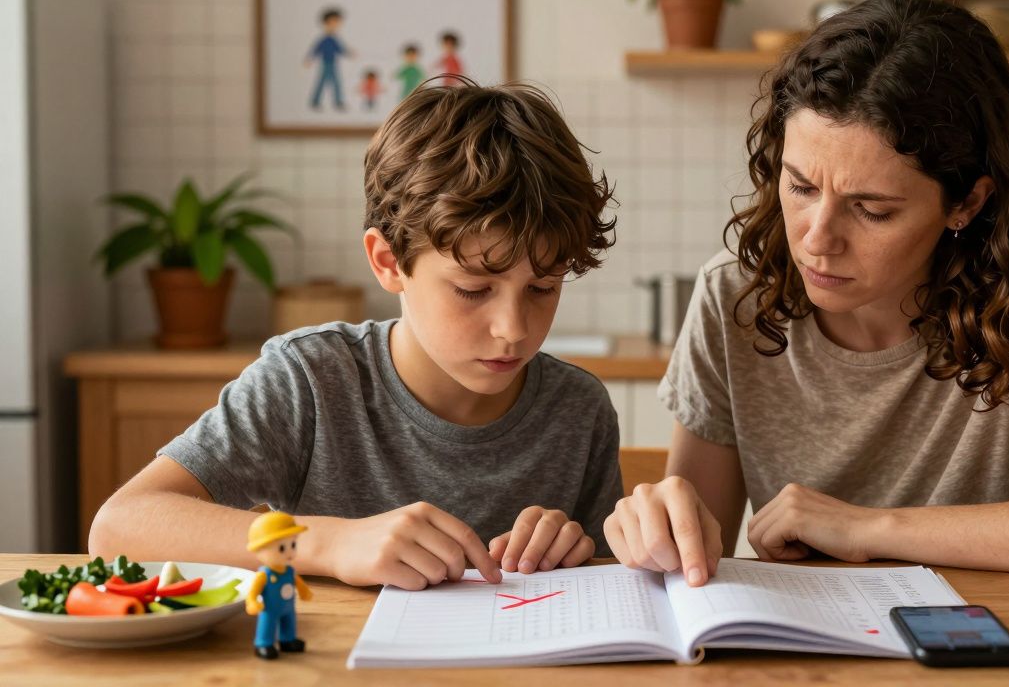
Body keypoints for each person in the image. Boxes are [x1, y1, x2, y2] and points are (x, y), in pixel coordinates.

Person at [604, 0, 1009, 586]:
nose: (817, 238)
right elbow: (687, 561)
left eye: (871, 210)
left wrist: (869, 529)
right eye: (801, 186)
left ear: (967, 202)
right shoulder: (733, 294)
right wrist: (660, 525)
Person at [91, 77, 622, 590]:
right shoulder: (311, 380)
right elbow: (119, 527)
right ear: (389, 262)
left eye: (543, 288)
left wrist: (576, 549)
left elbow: (612, 583)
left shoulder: (579, 409)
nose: (513, 330)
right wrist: (328, 544)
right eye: (472, 289)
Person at [245, 511, 312, 660]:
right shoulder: (264, 575)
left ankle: (287, 640)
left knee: (289, 621)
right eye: (282, 548)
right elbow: (253, 592)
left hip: (288, 606)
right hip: (270, 609)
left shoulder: (289, 571)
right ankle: (263, 644)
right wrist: (252, 602)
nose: (289, 552)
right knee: (267, 624)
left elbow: (298, 583)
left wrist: (304, 591)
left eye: (293, 544)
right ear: (259, 550)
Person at [305, 7, 352, 111]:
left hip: (333, 62)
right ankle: (317, 101)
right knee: (325, 82)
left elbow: (340, 49)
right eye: (334, 21)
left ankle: (335, 101)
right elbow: (316, 49)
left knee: (334, 82)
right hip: (326, 63)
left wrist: (349, 53)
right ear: (327, 22)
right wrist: (309, 59)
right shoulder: (325, 39)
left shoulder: (334, 38)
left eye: (338, 22)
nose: (337, 24)